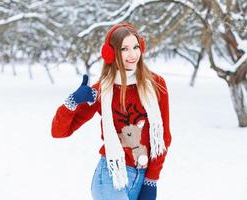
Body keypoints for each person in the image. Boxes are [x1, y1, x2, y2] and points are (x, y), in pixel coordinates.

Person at [51, 22, 172, 200]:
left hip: (142, 176)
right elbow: (59, 131)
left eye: (136, 47)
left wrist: (151, 179)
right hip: (112, 176)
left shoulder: (156, 84)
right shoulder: (102, 90)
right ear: (111, 53)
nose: (132, 54)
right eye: (124, 49)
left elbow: (163, 138)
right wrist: (73, 101)